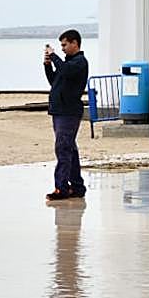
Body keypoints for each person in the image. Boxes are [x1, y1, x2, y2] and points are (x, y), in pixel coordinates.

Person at [43, 29, 89, 201]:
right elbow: (54, 80)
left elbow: (66, 71)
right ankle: (77, 187)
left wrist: (54, 57)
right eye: (61, 45)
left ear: (74, 43)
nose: (62, 48)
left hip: (69, 112)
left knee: (63, 148)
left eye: (64, 45)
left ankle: (61, 188)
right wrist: (48, 64)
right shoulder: (68, 63)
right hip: (59, 111)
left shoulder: (79, 62)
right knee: (69, 149)